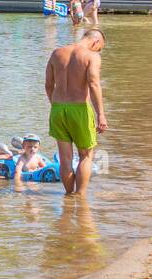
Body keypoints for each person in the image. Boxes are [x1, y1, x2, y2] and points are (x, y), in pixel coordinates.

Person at [45, 28, 108, 195]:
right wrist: (101, 113)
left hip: (57, 109)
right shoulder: (92, 56)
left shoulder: (57, 53)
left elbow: (48, 85)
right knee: (85, 156)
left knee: (65, 158)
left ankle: (67, 195)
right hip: (79, 108)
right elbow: (94, 84)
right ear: (95, 42)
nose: (99, 51)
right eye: (100, 47)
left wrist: (55, 105)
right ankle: (80, 197)